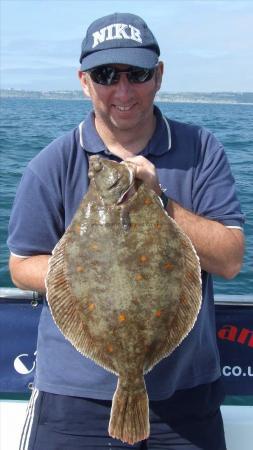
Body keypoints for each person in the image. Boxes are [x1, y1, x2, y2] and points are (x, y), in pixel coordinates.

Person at [8, 12, 244, 450]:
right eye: (105, 75)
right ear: (84, 81)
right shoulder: (52, 163)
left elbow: (231, 260)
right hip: (73, 401)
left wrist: (162, 202)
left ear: (158, 75)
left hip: (184, 398)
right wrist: (88, 276)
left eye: (136, 74)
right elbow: (21, 265)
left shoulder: (202, 150)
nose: (122, 91)